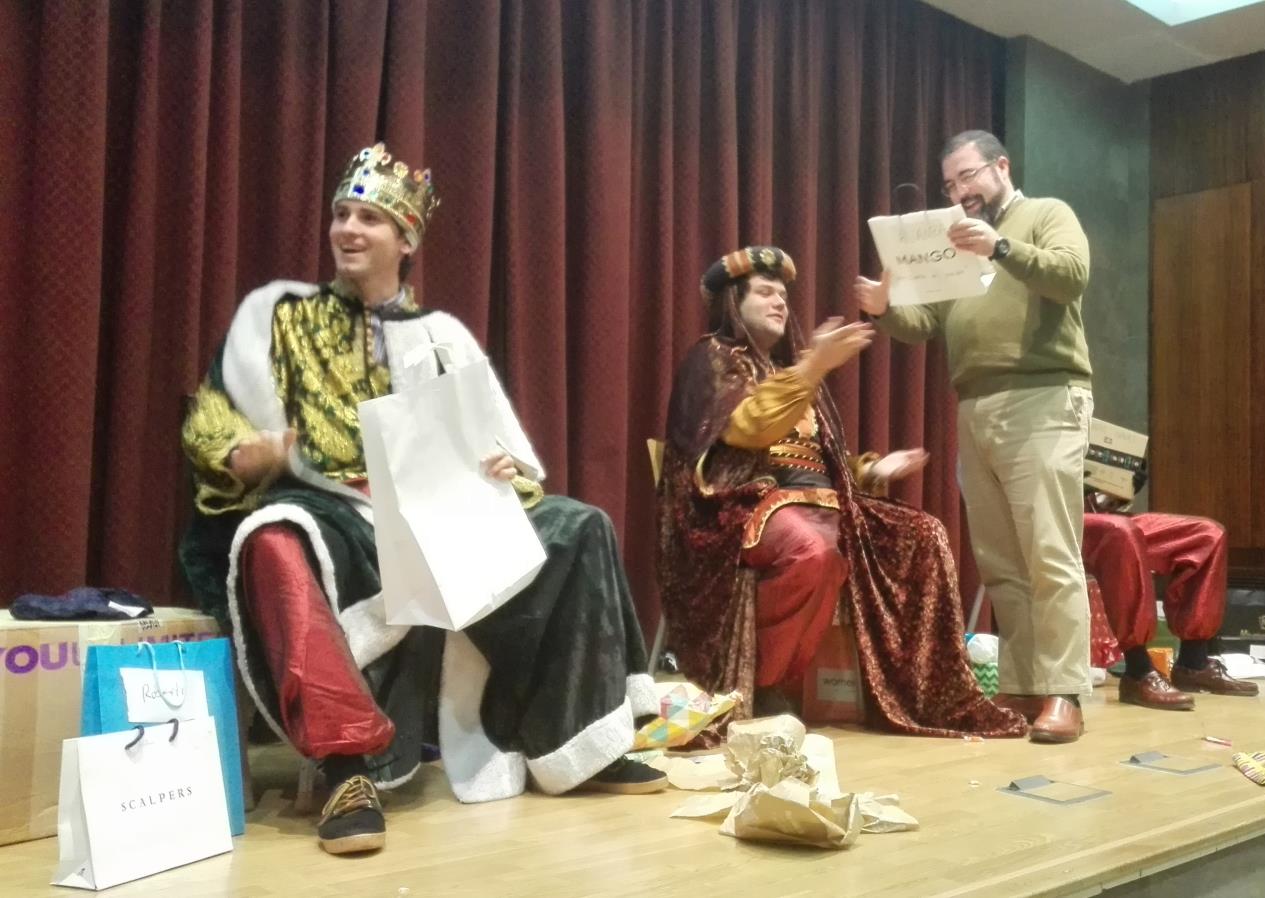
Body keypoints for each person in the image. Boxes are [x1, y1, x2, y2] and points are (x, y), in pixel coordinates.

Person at [179, 142, 663, 856]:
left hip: (440, 513)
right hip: (332, 509)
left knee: (580, 525)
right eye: (341, 215)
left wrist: (505, 467)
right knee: (272, 539)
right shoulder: (281, 320)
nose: (348, 229)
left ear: (405, 240)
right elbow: (213, 414)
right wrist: (243, 452)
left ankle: (577, 747)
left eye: (368, 218)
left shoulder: (443, 336)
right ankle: (347, 769)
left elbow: (501, 447)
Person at [656, 246, 1026, 740]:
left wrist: (872, 470)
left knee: (925, 534)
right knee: (813, 552)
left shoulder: (792, 369)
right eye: (764, 292)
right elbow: (749, 429)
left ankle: (922, 692)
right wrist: (813, 366)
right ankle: (766, 683)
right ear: (733, 303)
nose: (780, 302)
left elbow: (821, 464)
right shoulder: (713, 359)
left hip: (822, 503)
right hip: (740, 505)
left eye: (783, 294)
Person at [855, 129, 1094, 743]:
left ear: (1001, 167)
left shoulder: (1046, 215)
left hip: (1044, 396)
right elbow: (923, 324)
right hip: (975, 405)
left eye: (967, 177)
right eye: (949, 185)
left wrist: (1001, 246)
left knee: (1050, 552)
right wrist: (884, 307)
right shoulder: (955, 243)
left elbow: (1071, 276)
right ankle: (1023, 683)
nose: (959, 192)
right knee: (1001, 560)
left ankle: (1065, 690)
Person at [1084, 487, 1259, 709]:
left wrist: (1120, 486)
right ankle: (1137, 672)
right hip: (1059, 519)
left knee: (1207, 535)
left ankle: (1194, 664)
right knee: (1121, 532)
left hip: (1095, 511)